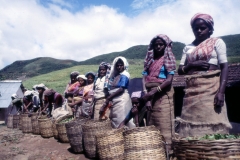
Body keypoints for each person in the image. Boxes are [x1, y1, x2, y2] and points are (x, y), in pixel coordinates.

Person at [176, 13, 231, 137]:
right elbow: (180, 70)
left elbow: (224, 67)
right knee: (190, 123)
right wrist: (192, 65)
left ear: (210, 29)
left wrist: (221, 92)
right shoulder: (188, 47)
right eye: (196, 28)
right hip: (192, 91)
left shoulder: (217, 42)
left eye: (203, 28)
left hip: (211, 88)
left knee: (214, 120)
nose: (199, 31)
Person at [141, 34, 176, 149]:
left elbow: (169, 80)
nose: (158, 47)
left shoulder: (168, 60)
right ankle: (155, 151)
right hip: (150, 96)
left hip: (163, 96)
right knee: (152, 124)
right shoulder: (149, 61)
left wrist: (153, 92)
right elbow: (144, 78)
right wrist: (147, 96)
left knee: (164, 124)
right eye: (156, 45)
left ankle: (167, 151)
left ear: (166, 46)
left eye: (161, 44)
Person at [100, 56, 135, 128]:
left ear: (124, 65)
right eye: (117, 65)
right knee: (116, 120)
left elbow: (121, 89)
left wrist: (109, 97)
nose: (119, 67)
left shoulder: (125, 75)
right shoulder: (116, 75)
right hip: (115, 100)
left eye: (121, 65)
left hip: (122, 100)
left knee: (122, 118)